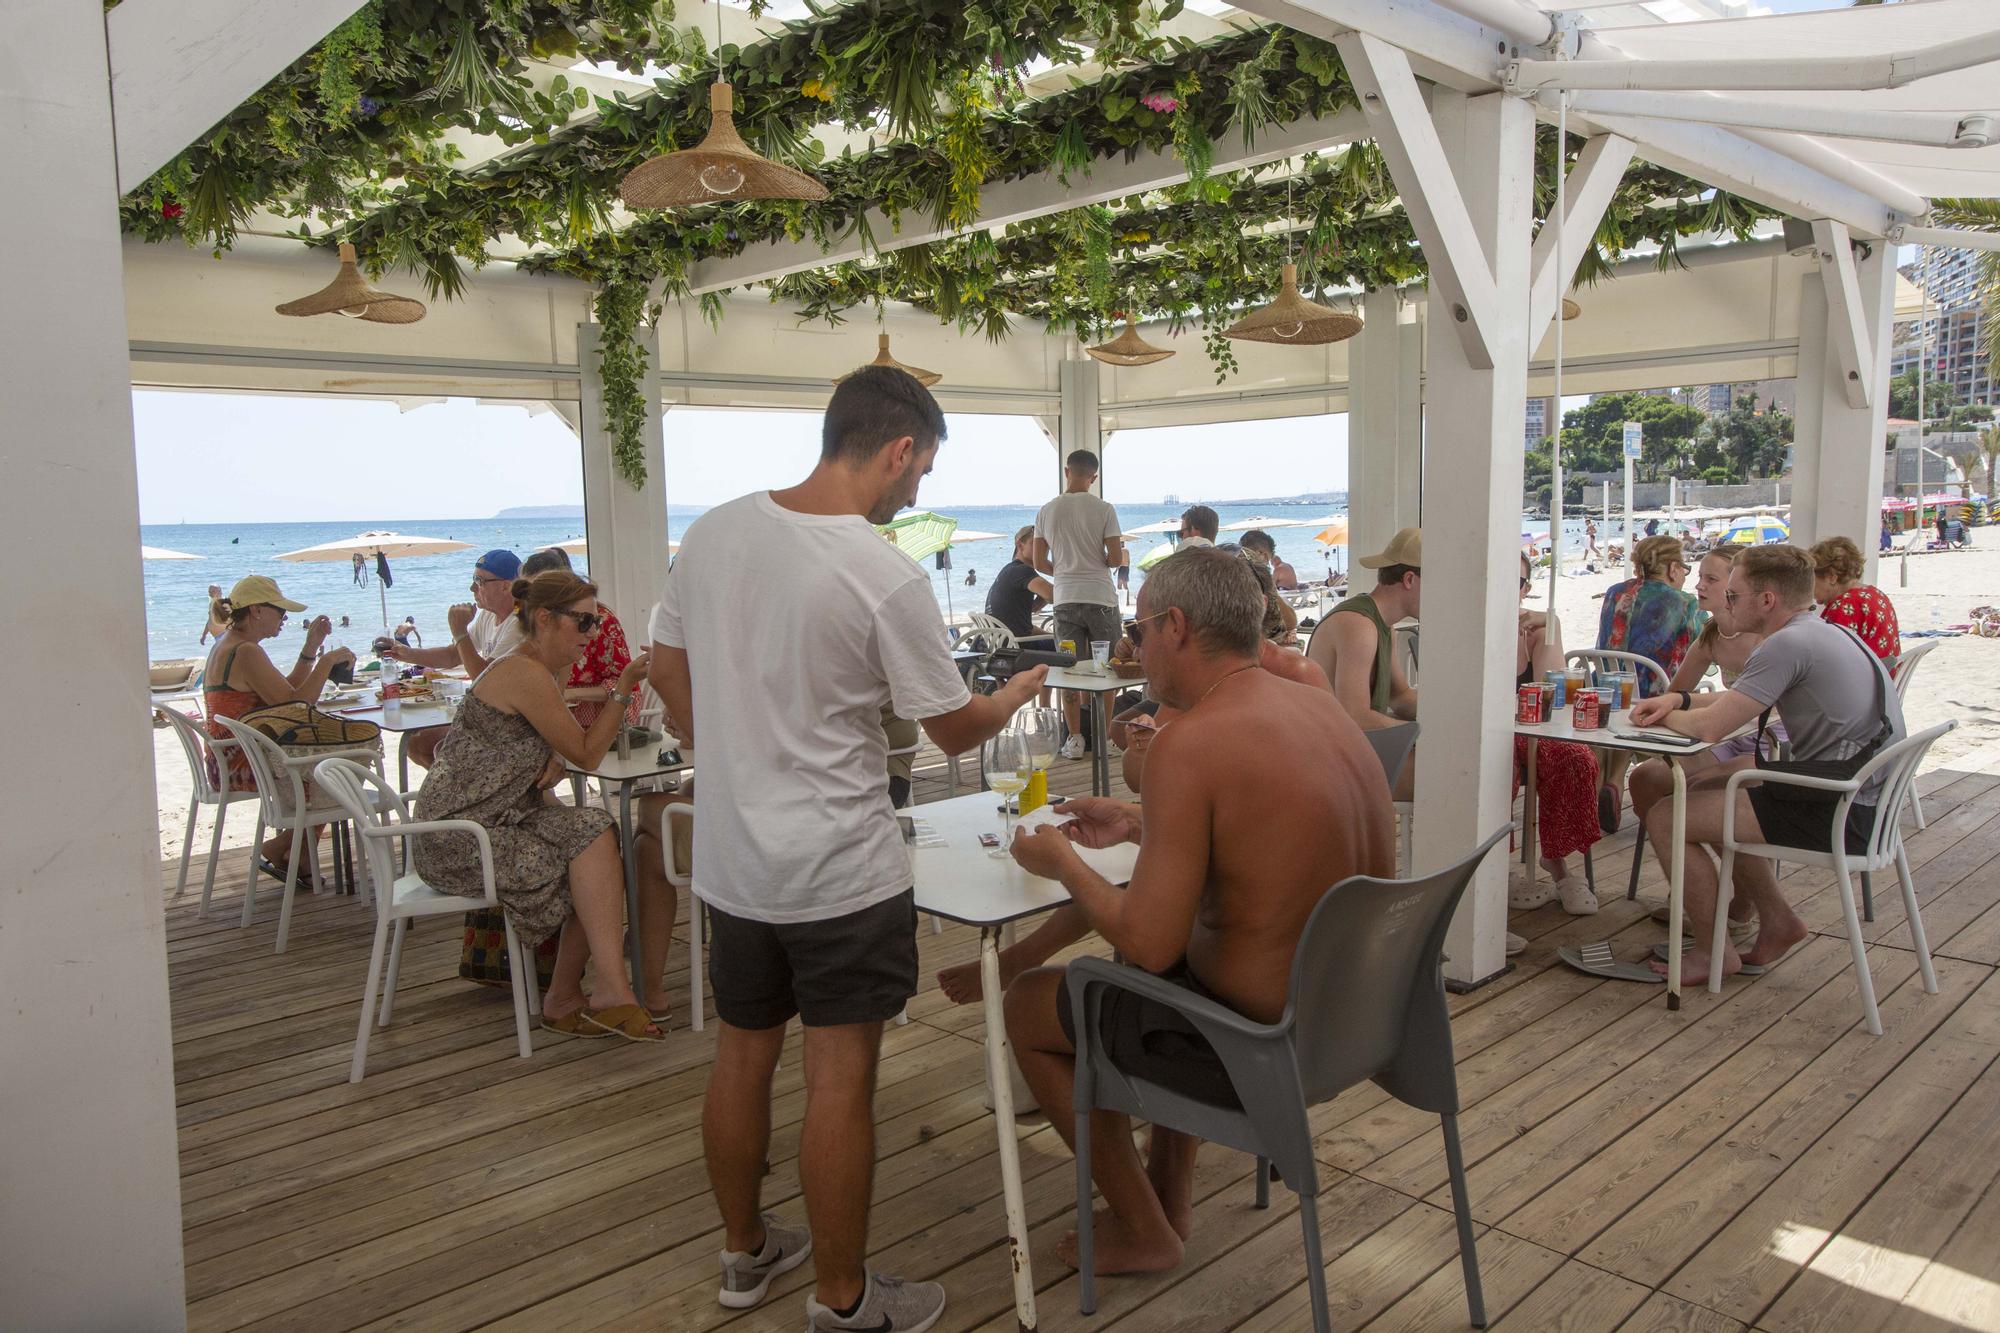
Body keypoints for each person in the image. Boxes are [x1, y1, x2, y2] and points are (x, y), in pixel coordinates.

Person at [648, 364, 1050, 1332]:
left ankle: (743, 1256)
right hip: (840, 871)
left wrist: (737, 747)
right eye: (922, 473)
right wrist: (1022, 691)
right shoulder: (880, 572)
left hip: (736, 867)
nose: (919, 494)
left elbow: (663, 664)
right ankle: (843, 1302)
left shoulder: (711, 534)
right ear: (898, 448)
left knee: (741, 1059)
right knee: (838, 1080)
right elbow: (953, 728)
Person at [1001, 546, 1394, 1276]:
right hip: (1359, 1021)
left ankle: (1144, 1226)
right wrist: (1139, 821)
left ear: (1175, 626)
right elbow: (1268, 838)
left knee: (1029, 1004)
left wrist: (1062, 861)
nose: (1133, 646)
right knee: (1168, 961)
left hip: (1259, 1047)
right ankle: (1169, 1188)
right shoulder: (1319, 707)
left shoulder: (1192, 740)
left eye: (1138, 628)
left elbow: (1148, 943)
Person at [1627, 545, 1905, 985]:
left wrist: (1667, 715)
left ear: (1767, 600)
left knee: (1667, 817)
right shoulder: (1821, 631)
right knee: (1706, 795)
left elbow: (1713, 728)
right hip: (1866, 798)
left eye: (1734, 595)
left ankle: (1711, 952)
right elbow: (1739, 699)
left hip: (1843, 810)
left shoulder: (1787, 644)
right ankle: (1777, 920)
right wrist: (1678, 699)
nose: (1728, 603)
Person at [413, 569, 670, 1038]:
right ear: (546, 619)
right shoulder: (521, 671)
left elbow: (551, 738)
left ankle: (577, 994)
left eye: (596, 622)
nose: (594, 634)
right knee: (586, 865)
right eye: (585, 623)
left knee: (597, 833)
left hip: (500, 819)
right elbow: (589, 752)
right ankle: (592, 991)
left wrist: (551, 752)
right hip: (454, 836)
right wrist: (624, 685)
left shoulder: (543, 669)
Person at [201, 576, 357, 880]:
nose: (285, 619)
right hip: (243, 763)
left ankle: (295, 852)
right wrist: (326, 664)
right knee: (339, 765)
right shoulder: (245, 651)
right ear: (257, 611)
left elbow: (284, 693)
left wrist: (311, 647)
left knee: (331, 762)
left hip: (227, 757)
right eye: (281, 612)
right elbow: (297, 707)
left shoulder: (232, 644)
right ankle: (287, 847)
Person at [1512, 553, 1602, 915]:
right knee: (1495, 765)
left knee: (1577, 758)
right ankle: (1494, 868)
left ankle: (1557, 860)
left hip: (1531, 728)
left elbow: (1553, 696)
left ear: (1526, 589)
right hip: (1487, 731)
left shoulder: (1536, 627)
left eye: (1516, 583)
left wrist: (1553, 627)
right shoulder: (1470, 624)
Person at [384, 549, 528, 769]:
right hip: (489, 715)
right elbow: (454, 655)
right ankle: (461, 795)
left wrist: (459, 630)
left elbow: (484, 678)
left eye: (479, 581)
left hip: (512, 722)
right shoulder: (489, 615)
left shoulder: (520, 621)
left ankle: (467, 794)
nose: (472, 588)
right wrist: (405, 653)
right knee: (418, 744)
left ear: (505, 586)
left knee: (436, 747)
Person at [1035, 450, 1126, 760]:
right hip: (1100, 600)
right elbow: (1115, 559)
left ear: (1066, 471)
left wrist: (1063, 571)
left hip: (1065, 602)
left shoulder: (1046, 511)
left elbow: (1038, 561)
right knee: (1109, 670)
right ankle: (1105, 738)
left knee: (1069, 669)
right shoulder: (1104, 509)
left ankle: (1075, 739)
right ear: (1094, 477)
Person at [1306, 527, 1420, 750]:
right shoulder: (1359, 626)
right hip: (1327, 757)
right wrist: (1420, 734)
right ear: (1409, 579)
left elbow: (1398, 696)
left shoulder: (1384, 626)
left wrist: (1447, 718)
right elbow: (1356, 717)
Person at [521, 547, 638, 729]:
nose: (592, 632)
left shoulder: (599, 623)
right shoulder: (532, 627)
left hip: (599, 723)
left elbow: (623, 685)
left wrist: (570, 694)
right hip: (555, 721)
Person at [1597, 536, 1705, 695]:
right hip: (1658, 696)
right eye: (1683, 567)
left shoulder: (1614, 592)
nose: (1684, 573)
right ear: (1673, 569)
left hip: (1607, 689)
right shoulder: (1686, 603)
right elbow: (1702, 655)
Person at [1810, 536, 1900, 664]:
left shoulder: (1844, 607)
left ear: (1831, 577)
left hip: (1866, 681)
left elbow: (1830, 659)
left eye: (1813, 580)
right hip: (1885, 676)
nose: (1810, 588)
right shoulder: (1875, 594)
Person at [984, 525, 1055, 644]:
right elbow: (1053, 594)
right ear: (1020, 545)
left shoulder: (1007, 571)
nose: (1042, 549)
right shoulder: (1022, 571)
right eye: (1035, 544)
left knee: (1060, 640)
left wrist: (1052, 636)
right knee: (1078, 645)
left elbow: (1025, 627)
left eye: (1046, 545)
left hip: (1006, 645)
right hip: (1020, 648)